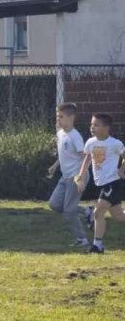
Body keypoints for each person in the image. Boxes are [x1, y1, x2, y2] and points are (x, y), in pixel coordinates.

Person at [74, 113, 125, 254]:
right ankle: (98, 245)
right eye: (91, 124)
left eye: (96, 125)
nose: (92, 127)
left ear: (106, 127)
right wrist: (81, 175)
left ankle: (97, 246)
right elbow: (87, 159)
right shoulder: (90, 142)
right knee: (119, 216)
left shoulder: (115, 144)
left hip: (112, 183)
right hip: (101, 184)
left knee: (97, 212)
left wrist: (121, 169)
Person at [47, 103, 92, 248]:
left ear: (71, 117)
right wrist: (55, 166)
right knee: (54, 204)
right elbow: (64, 154)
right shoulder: (60, 133)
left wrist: (81, 177)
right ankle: (87, 211)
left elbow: (86, 158)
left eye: (61, 117)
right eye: (57, 117)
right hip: (65, 177)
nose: (58, 120)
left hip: (76, 177)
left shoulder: (75, 136)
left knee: (69, 211)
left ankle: (82, 239)